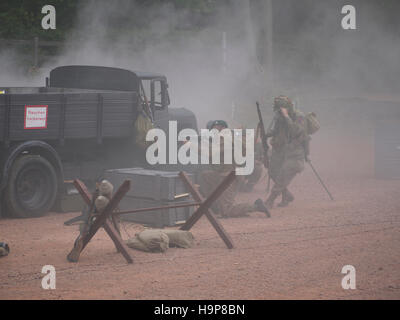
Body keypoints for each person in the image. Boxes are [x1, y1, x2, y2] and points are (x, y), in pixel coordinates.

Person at [199, 120, 270, 218]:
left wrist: (190, 144)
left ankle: (256, 207)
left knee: (227, 211)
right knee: (205, 175)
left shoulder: (227, 139)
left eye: (215, 129)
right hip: (224, 174)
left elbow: (210, 152)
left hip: (231, 177)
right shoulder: (224, 138)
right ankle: (214, 204)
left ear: (222, 128)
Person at [257, 95, 308, 208]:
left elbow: (296, 131)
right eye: (278, 108)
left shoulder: (299, 116)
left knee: (283, 174)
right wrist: (266, 135)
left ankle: (270, 200)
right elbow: (276, 131)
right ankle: (286, 195)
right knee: (272, 171)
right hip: (281, 151)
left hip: (295, 153)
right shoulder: (279, 117)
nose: (279, 111)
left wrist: (286, 116)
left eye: (281, 108)